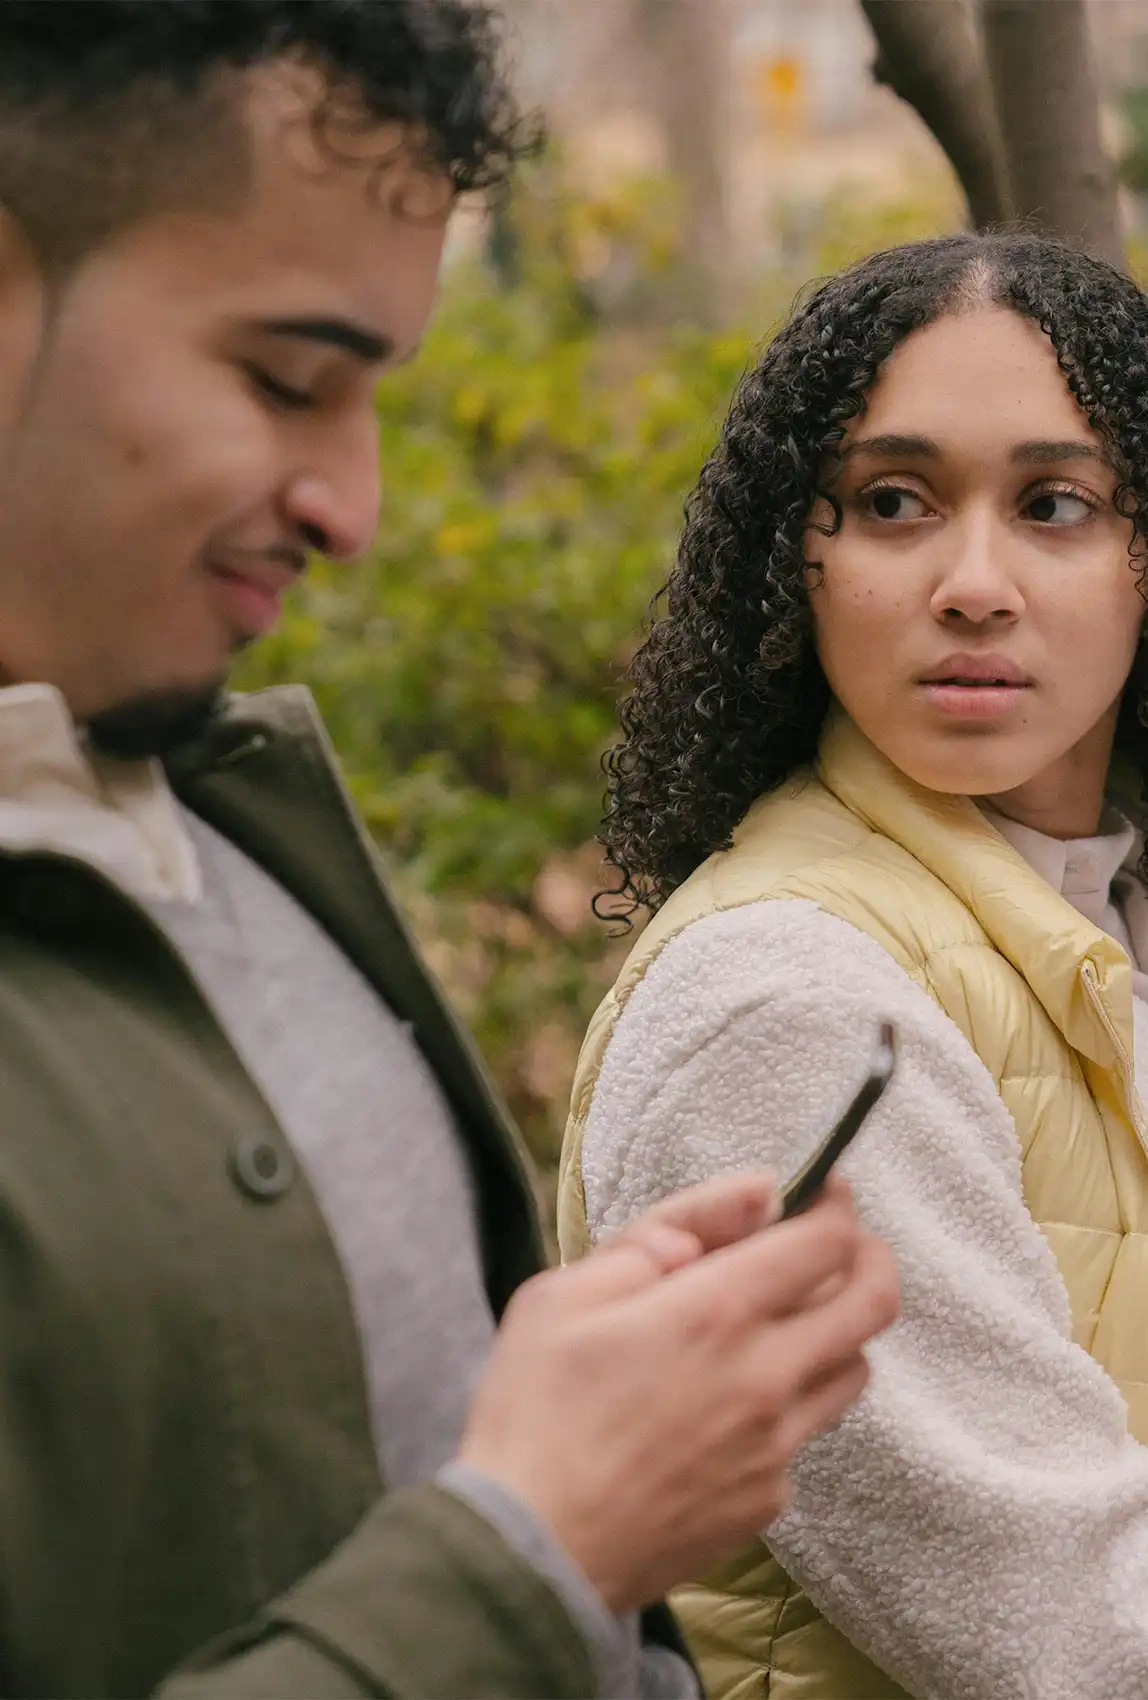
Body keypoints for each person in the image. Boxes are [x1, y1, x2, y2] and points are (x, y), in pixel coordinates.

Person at [0, 5, 902, 1697]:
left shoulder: (207, 804)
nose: (356, 505)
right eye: (283, 380)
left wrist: (540, 1368)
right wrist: (537, 1547)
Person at [559, 230, 1148, 1699]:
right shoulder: (789, 1001)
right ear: (794, 566)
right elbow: (1082, 1636)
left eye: (1056, 505)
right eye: (894, 502)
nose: (973, 583)